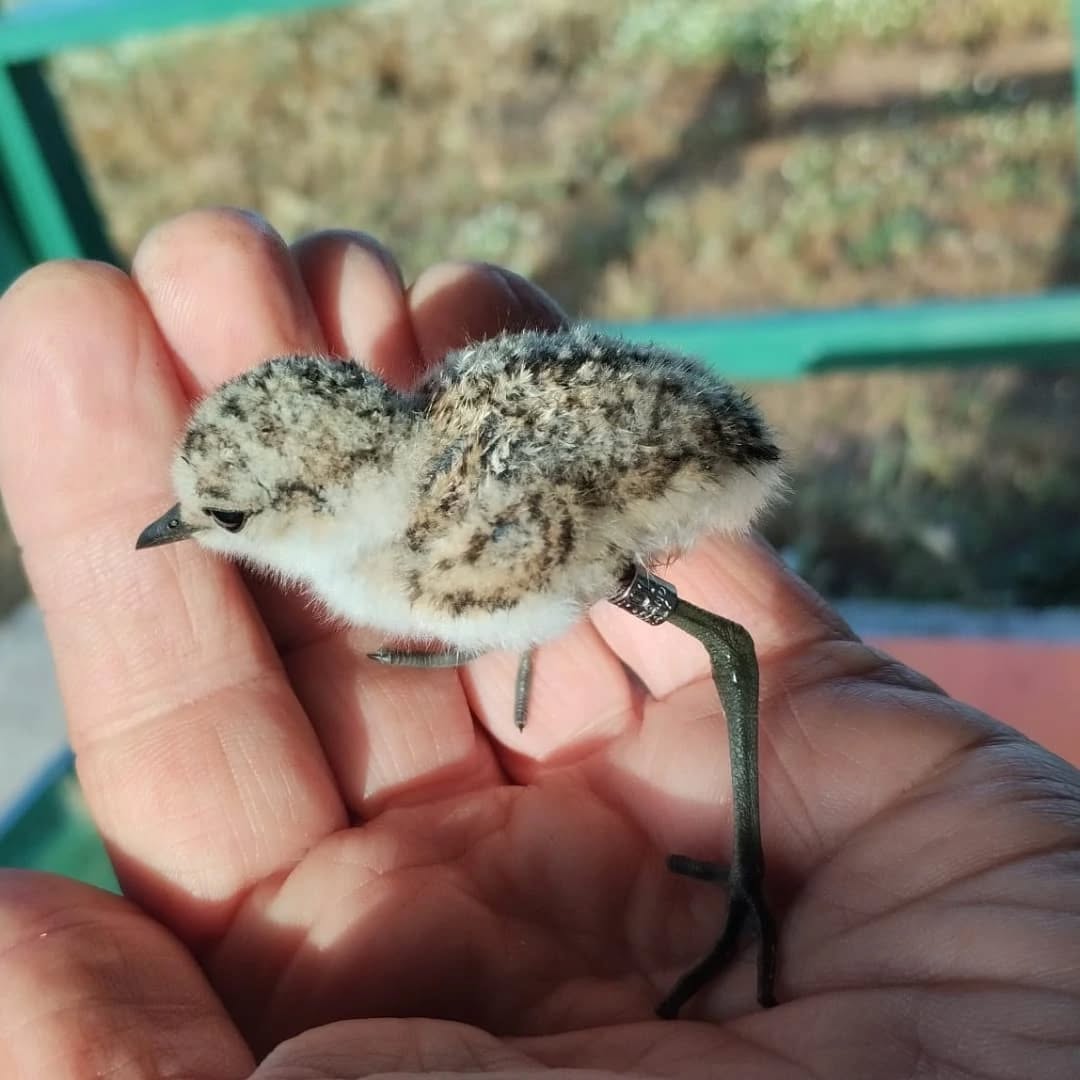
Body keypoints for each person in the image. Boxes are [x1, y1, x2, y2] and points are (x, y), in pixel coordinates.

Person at [0, 210, 1076, 1079]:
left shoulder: (452, 554)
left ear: (317, 505)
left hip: (650, 471)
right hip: (551, 473)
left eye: (220, 517)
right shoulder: (417, 480)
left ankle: (747, 884)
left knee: (711, 641)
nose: (186, 531)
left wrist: (748, 876)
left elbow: (635, 531)